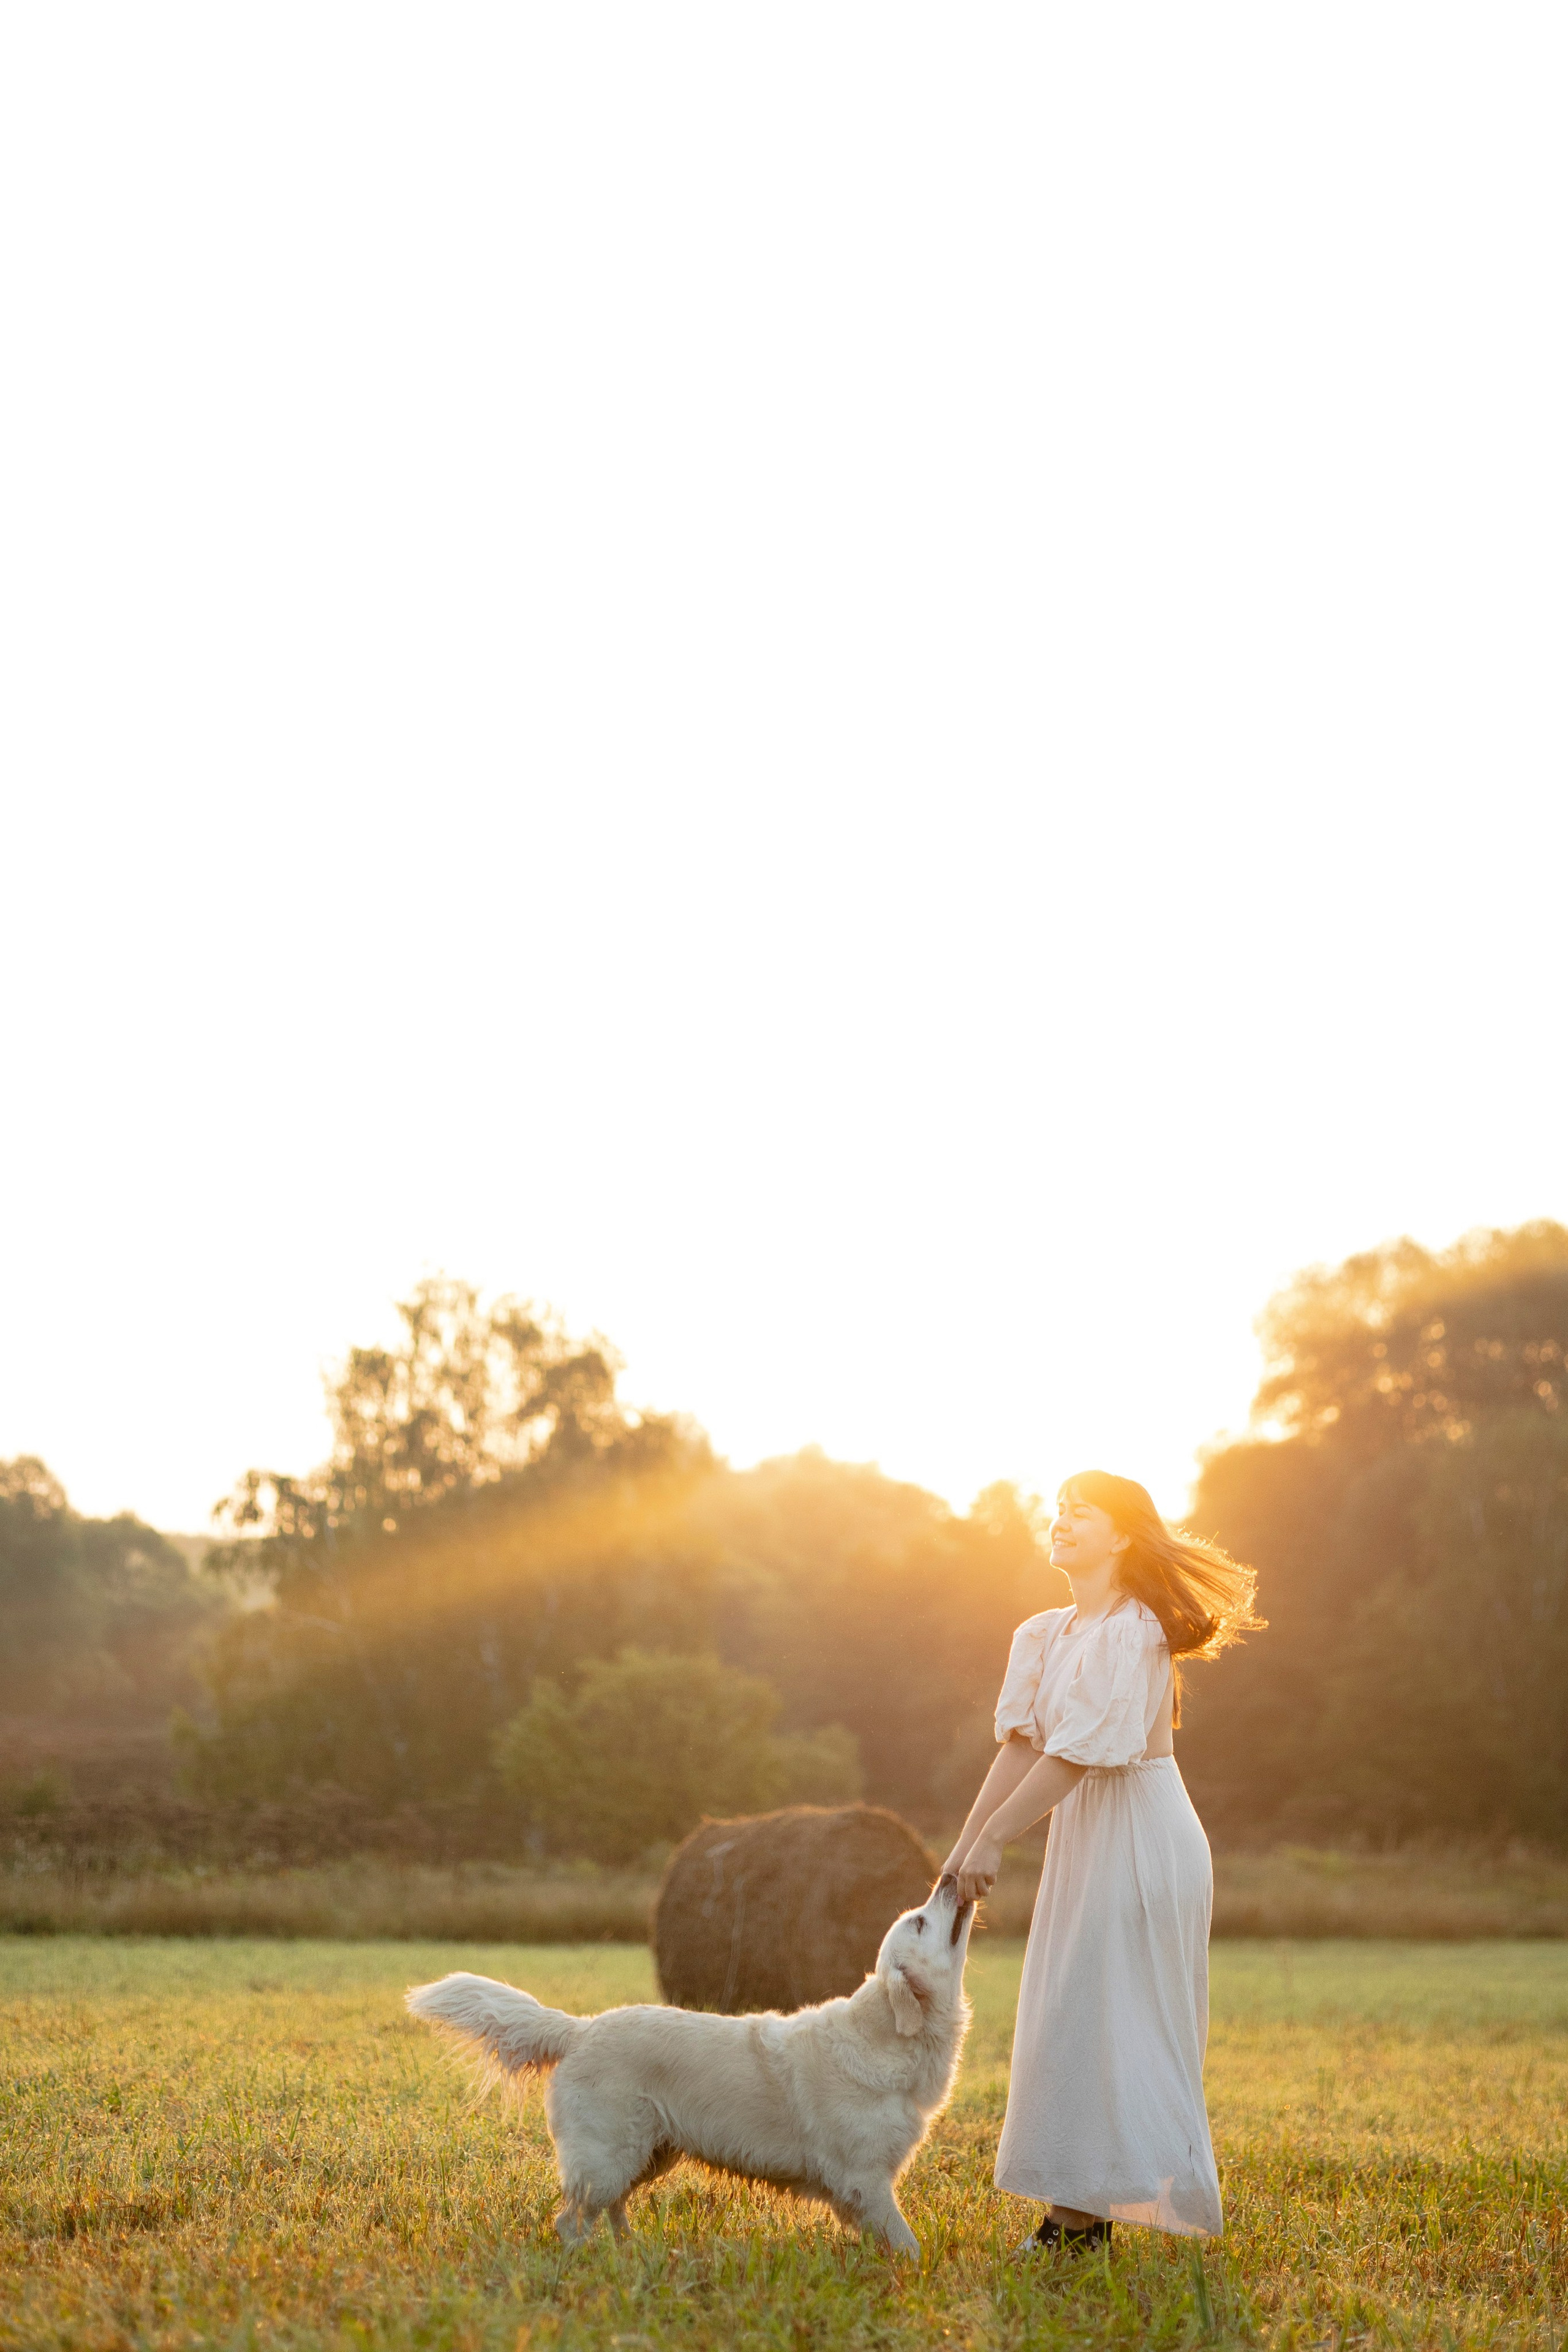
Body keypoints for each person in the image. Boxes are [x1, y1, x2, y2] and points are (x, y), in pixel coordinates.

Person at [941, 1469, 1262, 2252]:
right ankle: (1082, 2220)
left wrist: (997, 1840)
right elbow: (1022, 1751)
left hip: (1141, 1832)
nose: (1060, 1521)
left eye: (1079, 1512)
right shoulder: (1041, 1634)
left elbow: (1078, 1756)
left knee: (1103, 2017)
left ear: (1120, 1535)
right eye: (1057, 1510)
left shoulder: (1134, 1629)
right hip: (1085, 1832)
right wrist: (959, 1856)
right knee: (1070, 2016)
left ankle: (1074, 2225)